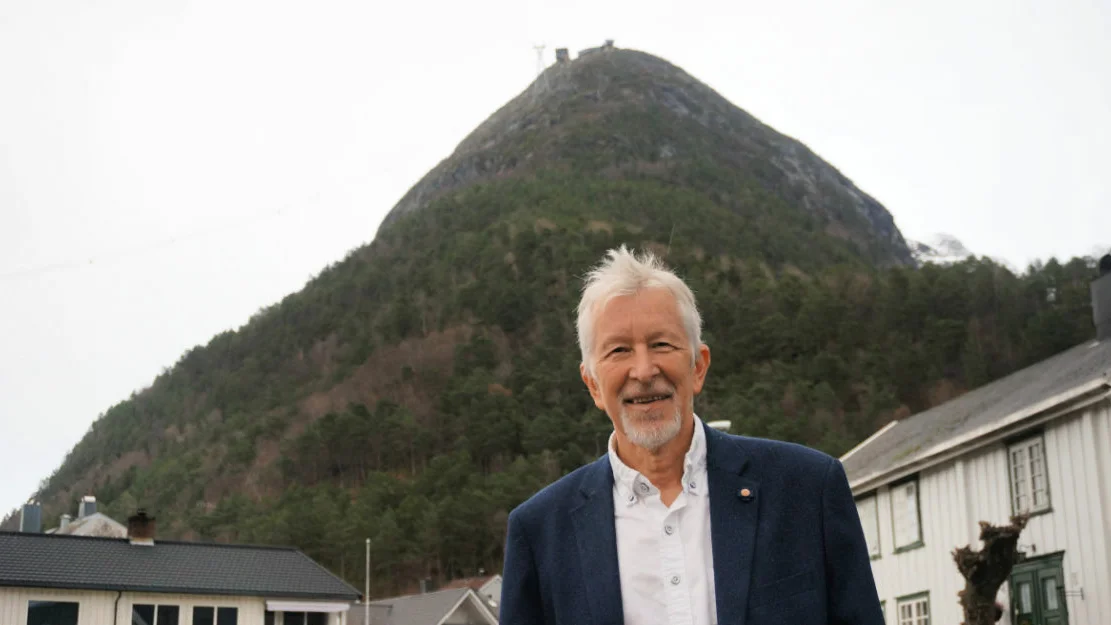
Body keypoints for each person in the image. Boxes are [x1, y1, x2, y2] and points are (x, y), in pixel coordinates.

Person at [500, 246, 884, 624]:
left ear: (698, 366)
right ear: (593, 385)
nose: (644, 370)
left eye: (661, 344)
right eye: (619, 350)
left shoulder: (808, 489)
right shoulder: (539, 534)